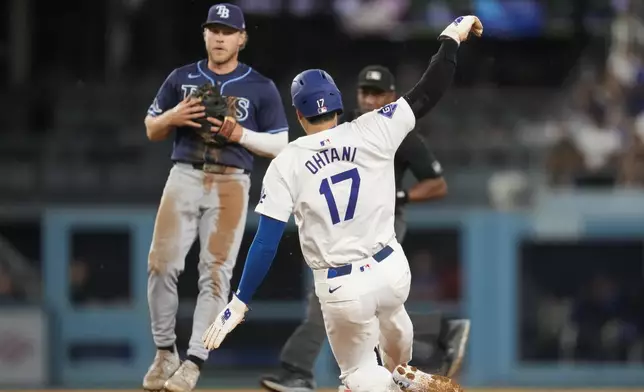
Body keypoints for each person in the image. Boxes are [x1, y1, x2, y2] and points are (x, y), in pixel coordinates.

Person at [203, 15, 483, 392]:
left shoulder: (288, 160)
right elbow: (427, 91)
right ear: (337, 105)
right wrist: (453, 35)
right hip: (391, 269)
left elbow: (266, 242)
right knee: (396, 339)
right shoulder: (374, 127)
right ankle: (405, 374)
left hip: (342, 286)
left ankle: (401, 383)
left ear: (299, 115)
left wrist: (239, 302)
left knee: (357, 377)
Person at [259, 65, 471, 392]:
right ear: (352, 96)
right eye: (364, 92)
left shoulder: (391, 127)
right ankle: (429, 343)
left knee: (353, 302)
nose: (370, 99)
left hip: (380, 226)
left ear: (391, 96)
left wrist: (401, 195)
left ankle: (305, 372)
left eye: (378, 93)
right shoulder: (346, 128)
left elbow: (437, 183)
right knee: (367, 306)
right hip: (344, 227)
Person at [142, 3, 289, 392]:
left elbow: (280, 145)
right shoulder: (181, 78)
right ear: (204, 34)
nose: (220, 37)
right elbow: (151, 128)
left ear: (242, 38)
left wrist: (239, 133)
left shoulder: (260, 86)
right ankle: (164, 352)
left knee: (215, 275)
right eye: (214, 29)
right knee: (160, 265)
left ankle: (194, 362)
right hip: (185, 174)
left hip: (232, 181)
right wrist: (171, 118)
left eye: (228, 31)